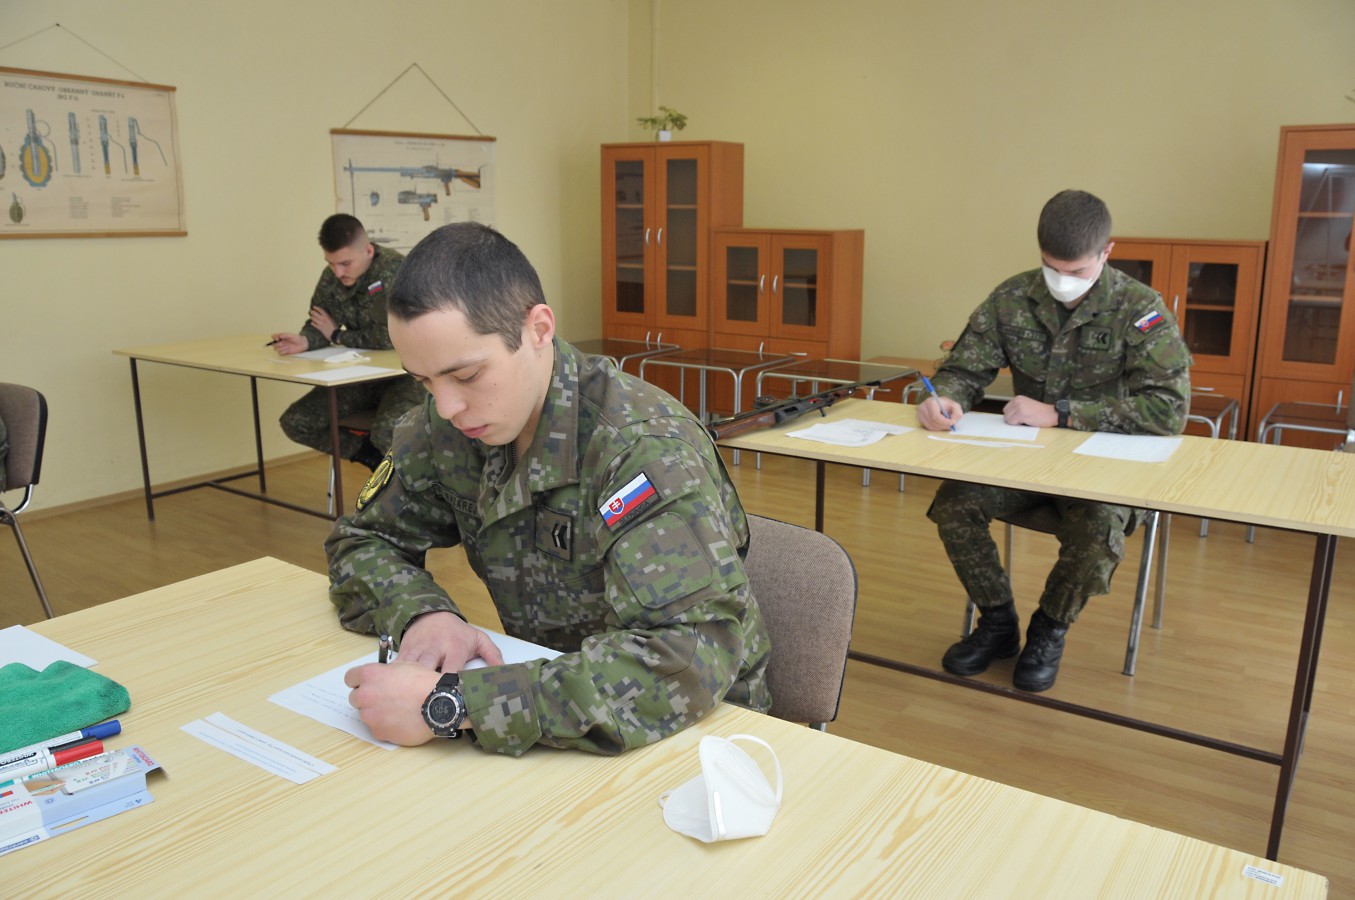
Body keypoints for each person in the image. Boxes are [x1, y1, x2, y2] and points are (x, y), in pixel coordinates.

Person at [330, 221, 771, 756]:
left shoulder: (638, 450)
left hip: (699, 736)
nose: (446, 406)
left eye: (466, 376)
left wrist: (456, 704)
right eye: (423, 380)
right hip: (558, 716)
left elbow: (688, 658)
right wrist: (423, 615)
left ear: (538, 329)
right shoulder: (449, 426)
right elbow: (362, 541)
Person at [918, 189, 1191, 692]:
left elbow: (1169, 409)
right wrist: (947, 398)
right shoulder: (1012, 297)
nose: (1062, 280)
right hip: (1023, 465)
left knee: (1099, 533)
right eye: (1051, 267)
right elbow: (964, 367)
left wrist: (1061, 413)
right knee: (955, 503)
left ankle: (1049, 629)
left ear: (1107, 252)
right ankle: (998, 623)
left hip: (1103, 472)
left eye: (1077, 270)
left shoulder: (1140, 309)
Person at [270, 214, 424, 470]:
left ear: (368, 250)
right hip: (362, 378)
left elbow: (389, 337)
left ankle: (415, 489)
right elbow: (320, 321)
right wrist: (305, 340)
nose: (338, 272)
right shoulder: (332, 277)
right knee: (296, 421)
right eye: (331, 263)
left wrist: (338, 336)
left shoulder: (397, 271)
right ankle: (369, 456)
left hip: (407, 376)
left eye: (345, 263)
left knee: (387, 432)